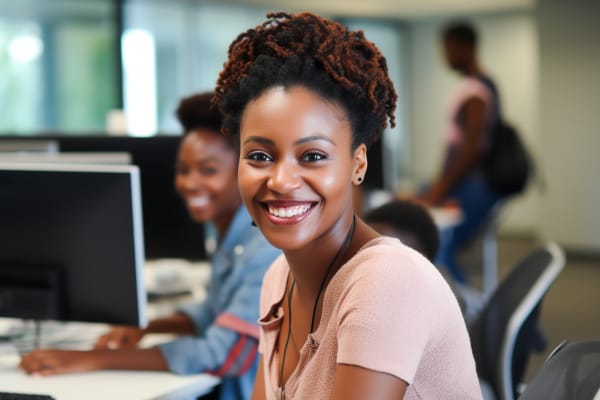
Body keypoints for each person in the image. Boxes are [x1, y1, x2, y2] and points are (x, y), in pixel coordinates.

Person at [213, 11, 483, 399]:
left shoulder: (385, 281)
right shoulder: (278, 279)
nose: (281, 181)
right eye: (259, 155)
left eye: (312, 156)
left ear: (357, 164)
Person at [19, 92, 282, 400]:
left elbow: (225, 353)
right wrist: (147, 327)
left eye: (208, 170)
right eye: (183, 170)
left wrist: (91, 360)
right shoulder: (228, 234)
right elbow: (213, 311)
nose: (190, 183)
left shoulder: (266, 248)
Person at [417, 20, 504, 285]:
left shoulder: (476, 91)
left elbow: (470, 150)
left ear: (465, 47)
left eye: (449, 48)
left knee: (438, 242)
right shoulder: (476, 86)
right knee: (424, 228)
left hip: (474, 184)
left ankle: (462, 309)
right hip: (468, 181)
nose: (445, 56)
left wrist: (439, 188)